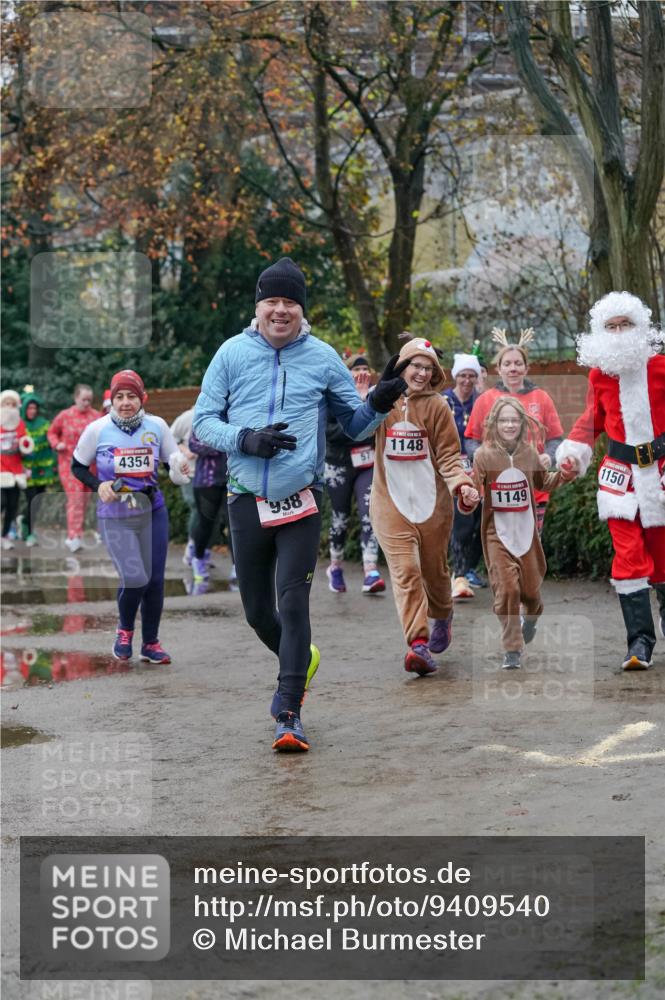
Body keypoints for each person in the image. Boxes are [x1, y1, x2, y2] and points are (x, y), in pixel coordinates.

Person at [194, 257, 406, 752]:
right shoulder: (230, 354)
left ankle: (288, 712)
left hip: (301, 500)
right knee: (257, 612)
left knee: (293, 603)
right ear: (258, 306)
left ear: (301, 309)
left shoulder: (322, 358)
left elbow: (352, 426)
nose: (281, 310)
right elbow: (204, 422)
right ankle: (301, 659)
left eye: (290, 301)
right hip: (246, 498)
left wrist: (378, 402)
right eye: (272, 300)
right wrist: (245, 438)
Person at [555, 291, 665, 670]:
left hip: (661, 475)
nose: (619, 333)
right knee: (629, 557)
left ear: (641, 327)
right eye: (611, 326)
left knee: (663, 559)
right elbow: (591, 420)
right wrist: (572, 454)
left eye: (626, 325)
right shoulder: (599, 375)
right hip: (619, 479)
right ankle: (639, 643)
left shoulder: (661, 367)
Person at [369, 338, 479, 676]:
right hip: (390, 503)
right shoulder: (382, 401)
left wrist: (462, 485)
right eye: (416, 365)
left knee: (434, 572)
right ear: (402, 366)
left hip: (433, 506)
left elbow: (448, 455)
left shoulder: (438, 407)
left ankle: (443, 613)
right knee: (406, 572)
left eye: (428, 367)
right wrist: (367, 400)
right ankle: (418, 644)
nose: (421, 372)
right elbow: (356, 425)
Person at [71, 369, 191, 664]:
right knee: (135, 576)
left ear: (142, 398)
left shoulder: (157, 425)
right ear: (112, 399)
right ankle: (124, 631)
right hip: (115, 513)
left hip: (153, 511)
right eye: (119, 396)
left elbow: (169, 463)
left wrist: (179, 468)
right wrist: (98, 485)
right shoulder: (97, 429)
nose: (125, 402)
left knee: (155, 581)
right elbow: (78, 466)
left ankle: (150, 643)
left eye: (132, 396)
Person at [472, 397, 573, 669]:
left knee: (530, 593)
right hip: (496, 534)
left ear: (522, 423)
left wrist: (564, 475)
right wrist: (466, 493)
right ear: (494, 423)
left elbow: (544, 482)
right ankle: (512, 649)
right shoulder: (483, 456)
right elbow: (470, 490)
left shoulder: (529, 454)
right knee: (507, 589)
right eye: (503, 420)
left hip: (527, 534)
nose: (508, 425)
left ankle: (531, 619)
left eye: (514, 420)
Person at [465, 328, 564, 534]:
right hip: (496, 489)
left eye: (518, 363)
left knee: (531, 547)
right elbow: (471, 441)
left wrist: (549, 456)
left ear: (526, 368)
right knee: (499, 548)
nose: (513, 368)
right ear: (498, 369)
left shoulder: (541, 398)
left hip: (534, 488)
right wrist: (485, 460)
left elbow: (555, 439)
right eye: (507, 364)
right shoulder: (485, 400)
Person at [324, 351, 385, 595]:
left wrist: (367, 403)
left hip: (367, 464)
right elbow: (332, 432)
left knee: (369, 512)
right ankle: (335, 566)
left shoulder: (376, 397)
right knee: (340, 518)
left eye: (365, 370)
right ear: (346, 375)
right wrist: (359, 407)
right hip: (338, 464)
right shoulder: (333, 397)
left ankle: (371, 570)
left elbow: (380, 429)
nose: (361, 374)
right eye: (356, 370)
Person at [442, 353, 487, 600]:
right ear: (455, 376)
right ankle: (457, 574)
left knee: (481, 523)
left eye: (471, 375)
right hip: (451, 469)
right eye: (463, 375)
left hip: (479, 468)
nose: (467, 380)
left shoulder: (482, 402)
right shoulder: (444, 400)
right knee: (462, 520)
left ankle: (468, 568)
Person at [47, 384, 101, 552]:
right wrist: (57, 444)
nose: (86, 403)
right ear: (76, 398)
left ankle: (79, 533)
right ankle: (73, 537)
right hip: (69, 464)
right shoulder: (64, 416)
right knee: (75, 499)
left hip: (90, 465)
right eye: (83, 399)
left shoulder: (96, 416)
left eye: (89, 400)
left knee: (85, 500)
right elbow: (51, 432)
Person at [188, 429, 234, 593]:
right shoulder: (204, 418)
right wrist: (225, 443)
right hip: (207, 481)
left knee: (234, 525)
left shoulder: (236, 415)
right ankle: (198, 559)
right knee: (206, 523)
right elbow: (193, 444)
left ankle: (238, 566)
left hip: (233, 479)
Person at [20, 387, 57, 546]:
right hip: (25, 469)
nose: (32, 410)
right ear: (24, 408)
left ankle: (23, 520)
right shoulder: (18, 425)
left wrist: (54, 464)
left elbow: (50, 444)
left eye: (34, 407)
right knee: (32, 500)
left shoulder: (44, 424)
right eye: (29, 407)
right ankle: (28, 533)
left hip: (42, 469)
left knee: (38, 501)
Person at [1, 389, 32, 549]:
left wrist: (25, 446)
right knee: (2, 502)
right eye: (6, 403)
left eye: (13, 404)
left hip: (15, 471)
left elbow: (25, 446)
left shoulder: (20, 424)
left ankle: (4, 535)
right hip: (0, 470)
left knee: (12, 505)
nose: (9, 407)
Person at [170, 406, 199, 566]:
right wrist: (186, 450)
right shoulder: (187, 417)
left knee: (210, 515)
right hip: (190, 472)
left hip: (211, 475)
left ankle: (201, 551)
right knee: (196, 508)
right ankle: (191, 548)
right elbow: (171, 437)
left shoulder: (218, 415)